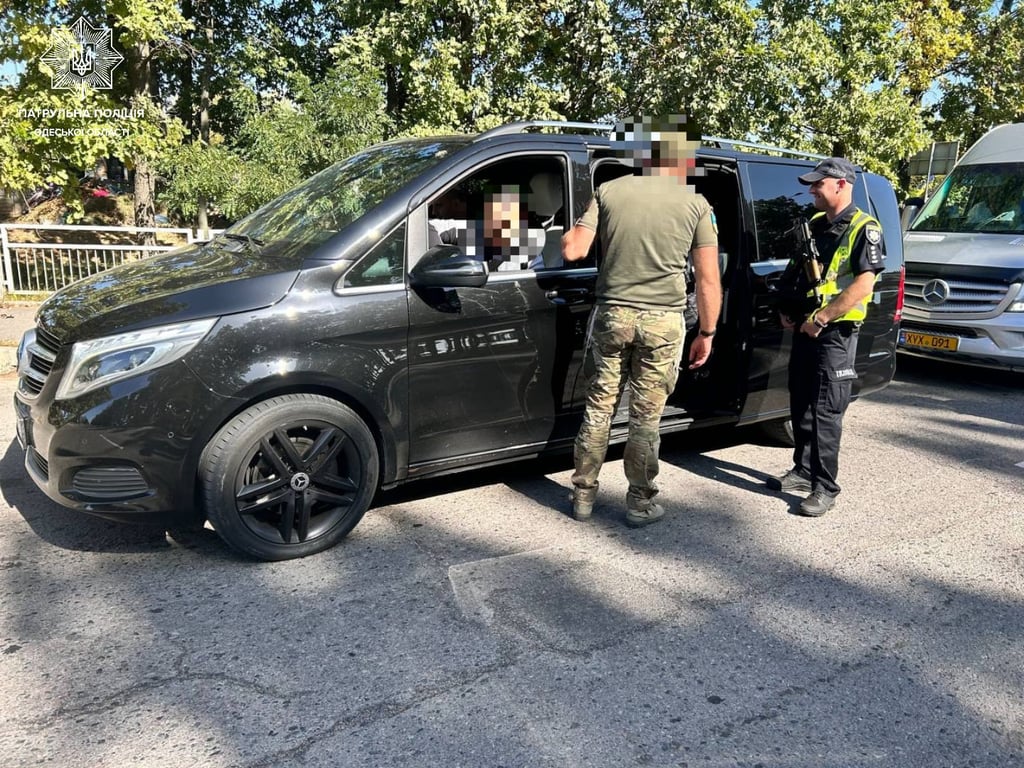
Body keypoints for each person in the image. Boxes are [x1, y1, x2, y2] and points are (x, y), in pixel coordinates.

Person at [561, 116, 721, 528]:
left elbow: (575, 251)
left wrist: (570, 229)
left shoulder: (608, 191)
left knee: (598, 409)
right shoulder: (696, 204)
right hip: (663, 323)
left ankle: (582, 496)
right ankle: (639, 503)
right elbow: (707, 279)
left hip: (612, 315)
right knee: (645, 419)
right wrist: (707, 332)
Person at [769, 157, 885, 517]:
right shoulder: (817, 224)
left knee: (825, 410)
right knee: (800, 400)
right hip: (807, 326)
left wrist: (821, 318)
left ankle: (825, 486)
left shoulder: (865, 228)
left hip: (834, 332)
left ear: (841, 184)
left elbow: (864, 284)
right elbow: (799, 273)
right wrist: (787, 307)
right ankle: (803, 470)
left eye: (819, 184)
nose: (812, 190)